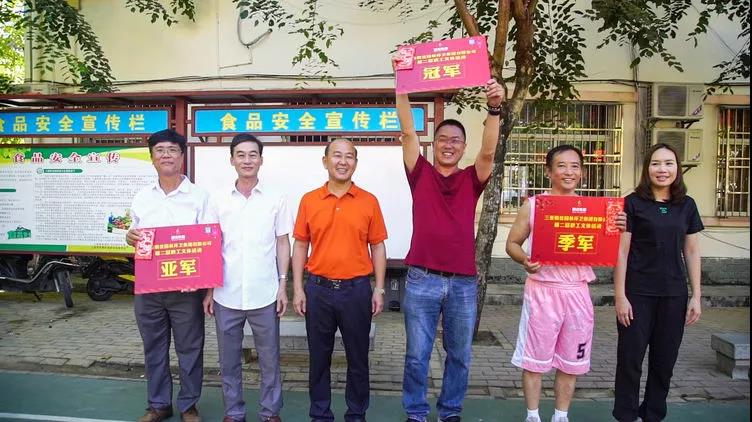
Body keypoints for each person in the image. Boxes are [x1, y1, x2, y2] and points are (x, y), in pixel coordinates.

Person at [395, 67, 505, 421]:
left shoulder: (472, 179)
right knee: (417, 355)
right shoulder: (420, 173)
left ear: (463, 147)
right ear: (434, 144)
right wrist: (402, 83)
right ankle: (416, 411)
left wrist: (494, 108)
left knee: (460, 355)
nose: (448, 144)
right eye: (443, 138)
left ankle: (450, 411)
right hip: (421, 279)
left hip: (462, 283)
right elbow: (407, 131)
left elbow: (488, 152)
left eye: (456, 140)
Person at [506, 145, 626, 422]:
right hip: (542, 292)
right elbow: (512, 243)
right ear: (549, 172)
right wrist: (525, 260)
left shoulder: (596, 210)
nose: (569, 171)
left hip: (577, 293)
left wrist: (619, 224)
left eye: (575, 166)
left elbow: (612, 246)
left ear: (582, 173)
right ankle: (533, 416)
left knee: (572, 361)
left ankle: (561, 416)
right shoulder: (534, 206)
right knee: (535, 360)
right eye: (561, 166)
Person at [291, 138, 388, 422]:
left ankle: (356, 413)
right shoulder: (310, 200)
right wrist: (297, 288)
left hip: (356, 290)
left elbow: (378, 246)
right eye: (337, 155)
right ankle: (320, 414)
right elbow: (300, 245)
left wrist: (379, 288)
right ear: (325, 161)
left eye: (349, 157)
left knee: (358, 359)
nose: (343, 162)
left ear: (355, 163)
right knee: (318, 358)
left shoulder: (369, 201)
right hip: (318, 289)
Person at [202, 134, 292, 422]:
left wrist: (283, 285)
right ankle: (234, 412)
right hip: (225, 294)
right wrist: (208, 291)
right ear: (232, 160)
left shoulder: (276, 198)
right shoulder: (217, 199)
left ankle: (270, 412)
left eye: (253, 154)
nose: (247, 160)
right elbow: (210, 246)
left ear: (261, 160)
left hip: (265, 293)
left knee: (270, 359)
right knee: (228, 360)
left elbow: (282, 243)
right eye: (240, 155)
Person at [612, 143, 703, 422]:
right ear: (647, 168)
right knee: (630, 359)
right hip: (637, 293)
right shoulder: (632, 203)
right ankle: (626, 415)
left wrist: (696, 295)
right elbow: (621, 252)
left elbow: (691, 251)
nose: (662, 169)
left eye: (668, 163)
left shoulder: (687, 205)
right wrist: (620, 296)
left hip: (673, 295)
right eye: (655, 163)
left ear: (677, 168)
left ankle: (652, 414)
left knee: (664, 361)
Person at [126, 128, 211, 422]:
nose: (166, 155)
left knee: (190, 348)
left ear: (182, 156)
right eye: (160, 150)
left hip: (186, 288)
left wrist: (205, 286)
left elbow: (209, 242)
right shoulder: (141, 197)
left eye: (172, 150)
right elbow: (133, 233)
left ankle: (188, 404)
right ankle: (159, 404)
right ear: (152, 157)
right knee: (153, 348)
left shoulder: (200, 197)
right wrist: (129, 236)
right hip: (148, 288)